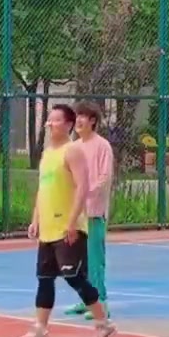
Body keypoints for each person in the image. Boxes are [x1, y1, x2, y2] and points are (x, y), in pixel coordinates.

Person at [14, 104, 114, 337]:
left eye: (55, 120)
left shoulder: (73, 151)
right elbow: (42, 189)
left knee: (74, 276)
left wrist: (72, 223)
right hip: (48, 229)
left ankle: (103, 323)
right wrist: (36, 219)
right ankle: (40, 329)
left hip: (67, 227)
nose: (50, 124)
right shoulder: (47, 153)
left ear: (68, 124)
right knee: (44, 278)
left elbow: (82, 187)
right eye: (49, 120)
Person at [65, 101, 115, 322]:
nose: (78, 121)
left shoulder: (102, 146)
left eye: (82, 116)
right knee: (80, 260)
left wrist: (87, 193)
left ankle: (101, 303)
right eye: (76, 116)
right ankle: (87, 300)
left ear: (93, 120)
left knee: (95, 260)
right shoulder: (74, 147)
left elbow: (104, 178)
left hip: (94, 212)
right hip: (77, 215)